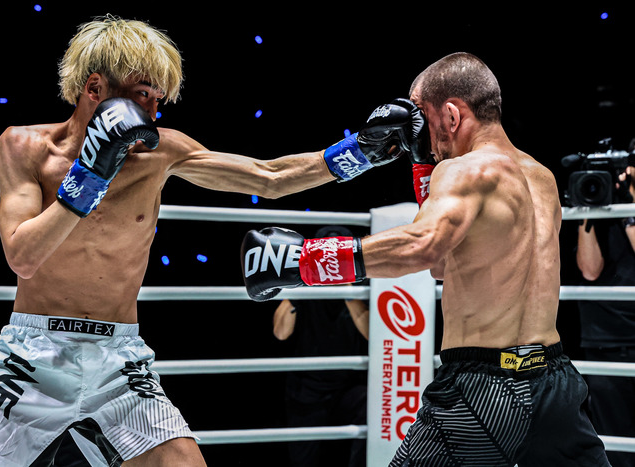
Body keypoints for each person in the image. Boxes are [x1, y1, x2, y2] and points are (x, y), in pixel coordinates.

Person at [0, 14, 422, 467]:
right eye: (143, 95)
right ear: (94, 89)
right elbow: (23, 256)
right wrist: (90, 174)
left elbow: (269, 177)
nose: (153, 113)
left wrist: (361, 151)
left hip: (118, 360)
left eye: (159, 100)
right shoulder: (23, 147)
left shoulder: (163, 151)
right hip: (32, 354)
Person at [241, 52, 612, 466]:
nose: (421, 136)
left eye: (423, 118)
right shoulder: (541, 176)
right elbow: (444, 265)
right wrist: (422, 167)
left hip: (483, 387)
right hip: (555, 381)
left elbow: (423, 246)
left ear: (451, 115)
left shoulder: (464, 170)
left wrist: (305, 261)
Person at [272, 226, 368, 467]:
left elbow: (372, 335)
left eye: (338, 258)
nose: (332, 263)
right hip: (307, 389)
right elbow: (280, 333)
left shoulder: (361, 286)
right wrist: (298, 288)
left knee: (370, 405)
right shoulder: (305, 285)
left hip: (348, 387)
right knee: (303, 460)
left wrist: (347, 290)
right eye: (327, 257)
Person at [576, 162, 635, 467]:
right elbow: (589, 270)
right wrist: (589, 208)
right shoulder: (601, 208)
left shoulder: (627, 210)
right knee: (616, 446)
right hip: (606, 341)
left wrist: (629, 208)